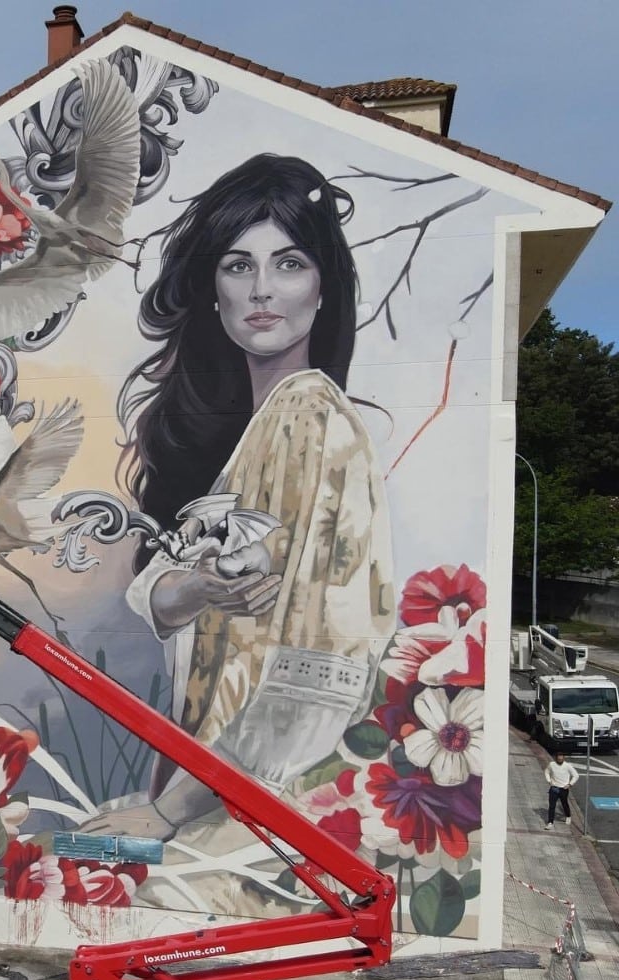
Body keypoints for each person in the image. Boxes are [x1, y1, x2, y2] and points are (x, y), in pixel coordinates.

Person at [84, 153, 395, 842]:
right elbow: (160, 592)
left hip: (250, 808)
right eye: (237, 265)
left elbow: (321, 669)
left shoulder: (309, 418)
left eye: (289, 264)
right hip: (212, 786)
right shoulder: (248, 431)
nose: (262, 289)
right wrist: (197, 586)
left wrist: (169, 813)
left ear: (322, 288)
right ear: (214, 290)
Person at [544, 750, 578, 830]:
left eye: (561, 759)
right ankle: (550, 822)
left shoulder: (567, 766)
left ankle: (568, 816)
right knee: (552, 806)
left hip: (563, 789)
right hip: (554, 788)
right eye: (558, 759)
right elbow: (546, 772)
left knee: (564, 803)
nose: (560, 760)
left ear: (563, 758)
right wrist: (549, 781)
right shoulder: (551, 765)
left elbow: (575, 775)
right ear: (556, 759)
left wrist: (570, 784)